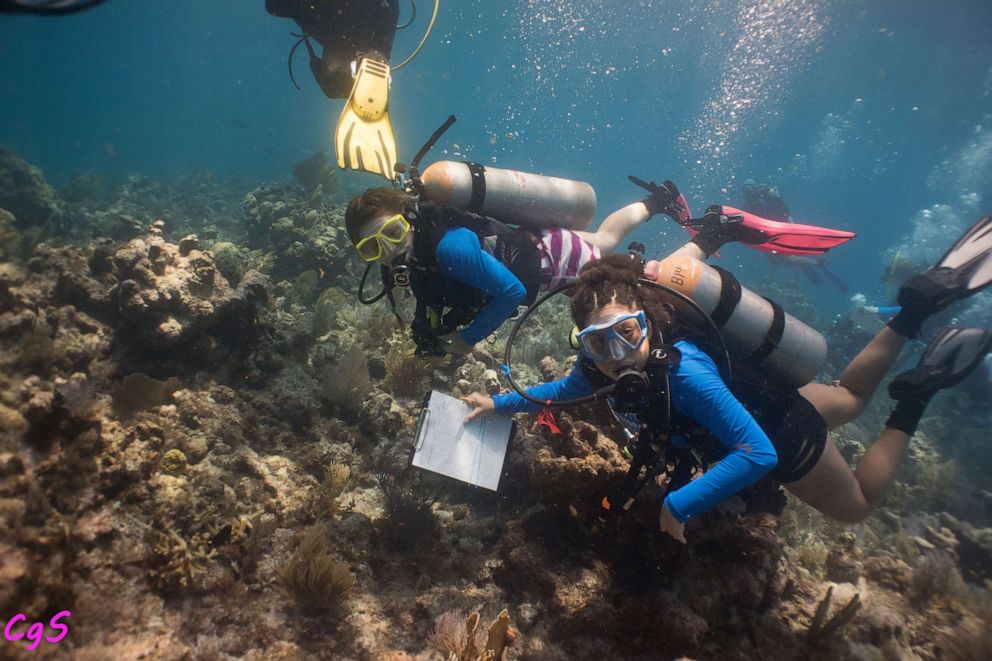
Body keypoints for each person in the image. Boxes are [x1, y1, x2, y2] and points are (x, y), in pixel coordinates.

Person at [462, 215, 992, 541]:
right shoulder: (602, 367)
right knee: (851, 400)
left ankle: (915, 398)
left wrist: (677, 506)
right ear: (583, 344)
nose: (617, 355)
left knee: (855, 507)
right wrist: (497, 402)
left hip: (784, 435)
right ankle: (913, 316)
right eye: (599, 342)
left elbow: (757, 455)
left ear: (647, 320)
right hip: (768, 392)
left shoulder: (687, 374)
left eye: (626, 332)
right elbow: (558, 392)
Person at [344, 181, 692, 357]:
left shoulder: (449, 249)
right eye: (372, 247)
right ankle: (659, 198)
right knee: (604, 237)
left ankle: (703, 243)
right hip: (538, 243)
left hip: (556, 260)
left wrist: (466, 341)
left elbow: (512, 293)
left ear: (409, 221)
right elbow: (432, 288)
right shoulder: (413, 253)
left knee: (642, 278)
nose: (389, 250)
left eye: (392, 233)